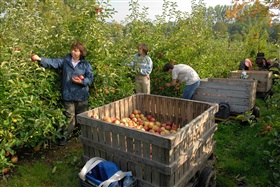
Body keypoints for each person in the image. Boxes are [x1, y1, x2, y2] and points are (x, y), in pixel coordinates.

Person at [31, 41, 94, 146]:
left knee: (82, 117)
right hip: (68, 94)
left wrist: (82, 82)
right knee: (69, 117)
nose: (74, 53)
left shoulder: (85, 65)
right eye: (73, 50)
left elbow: (90, 78)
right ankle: (65, 137)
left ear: (81, 52)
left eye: (77, 51)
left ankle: (86, 137)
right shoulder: (65, 61)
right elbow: (54, 62)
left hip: (81, 95)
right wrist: (40, 59)